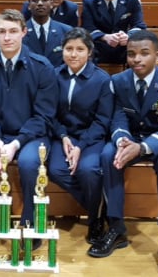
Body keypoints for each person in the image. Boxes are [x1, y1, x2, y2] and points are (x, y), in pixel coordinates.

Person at [88, 30, 158, 277]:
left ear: (157, 54)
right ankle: (116, 227)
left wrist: (143, 147)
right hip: (130, 138)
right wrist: (123, 140)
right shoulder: (119, 81)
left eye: (144, 53)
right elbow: (118, 117)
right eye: (131, 54)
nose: (137, 59)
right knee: (108, 154)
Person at [0, 9, 58, 250]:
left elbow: (44, 116)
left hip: (32, 136)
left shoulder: (43, 68)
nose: (7, 37)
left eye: (13, 31)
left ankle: (30, 223)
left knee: (30, 165)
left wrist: (15, 143)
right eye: (1, 31)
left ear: (24, 33)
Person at [48, 27, 113, 246]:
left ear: (89, 52)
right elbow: (50, 113)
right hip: (62, 137)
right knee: (56, 169)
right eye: (69, 49)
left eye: (79, 49)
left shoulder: (102, 79)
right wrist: (64, 136)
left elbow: (102, 120)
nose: (73, 54)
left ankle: (95, 220)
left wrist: (81, 145)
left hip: (91, 138)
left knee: (88, 170)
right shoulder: (54, 75)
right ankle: (99, 207)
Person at [81, 0, 147, 64]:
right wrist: (105, 37)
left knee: (140, 45)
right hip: (100, 46)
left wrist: (127, 36)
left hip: (124, 45)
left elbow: (139, 25)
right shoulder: (89, 0)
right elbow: (87, 28)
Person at [22, 0, 72, 67]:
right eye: (35, 0)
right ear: (29, 6)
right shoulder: (20, 31)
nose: (40, 3)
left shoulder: (66, 31)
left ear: (51, 4)